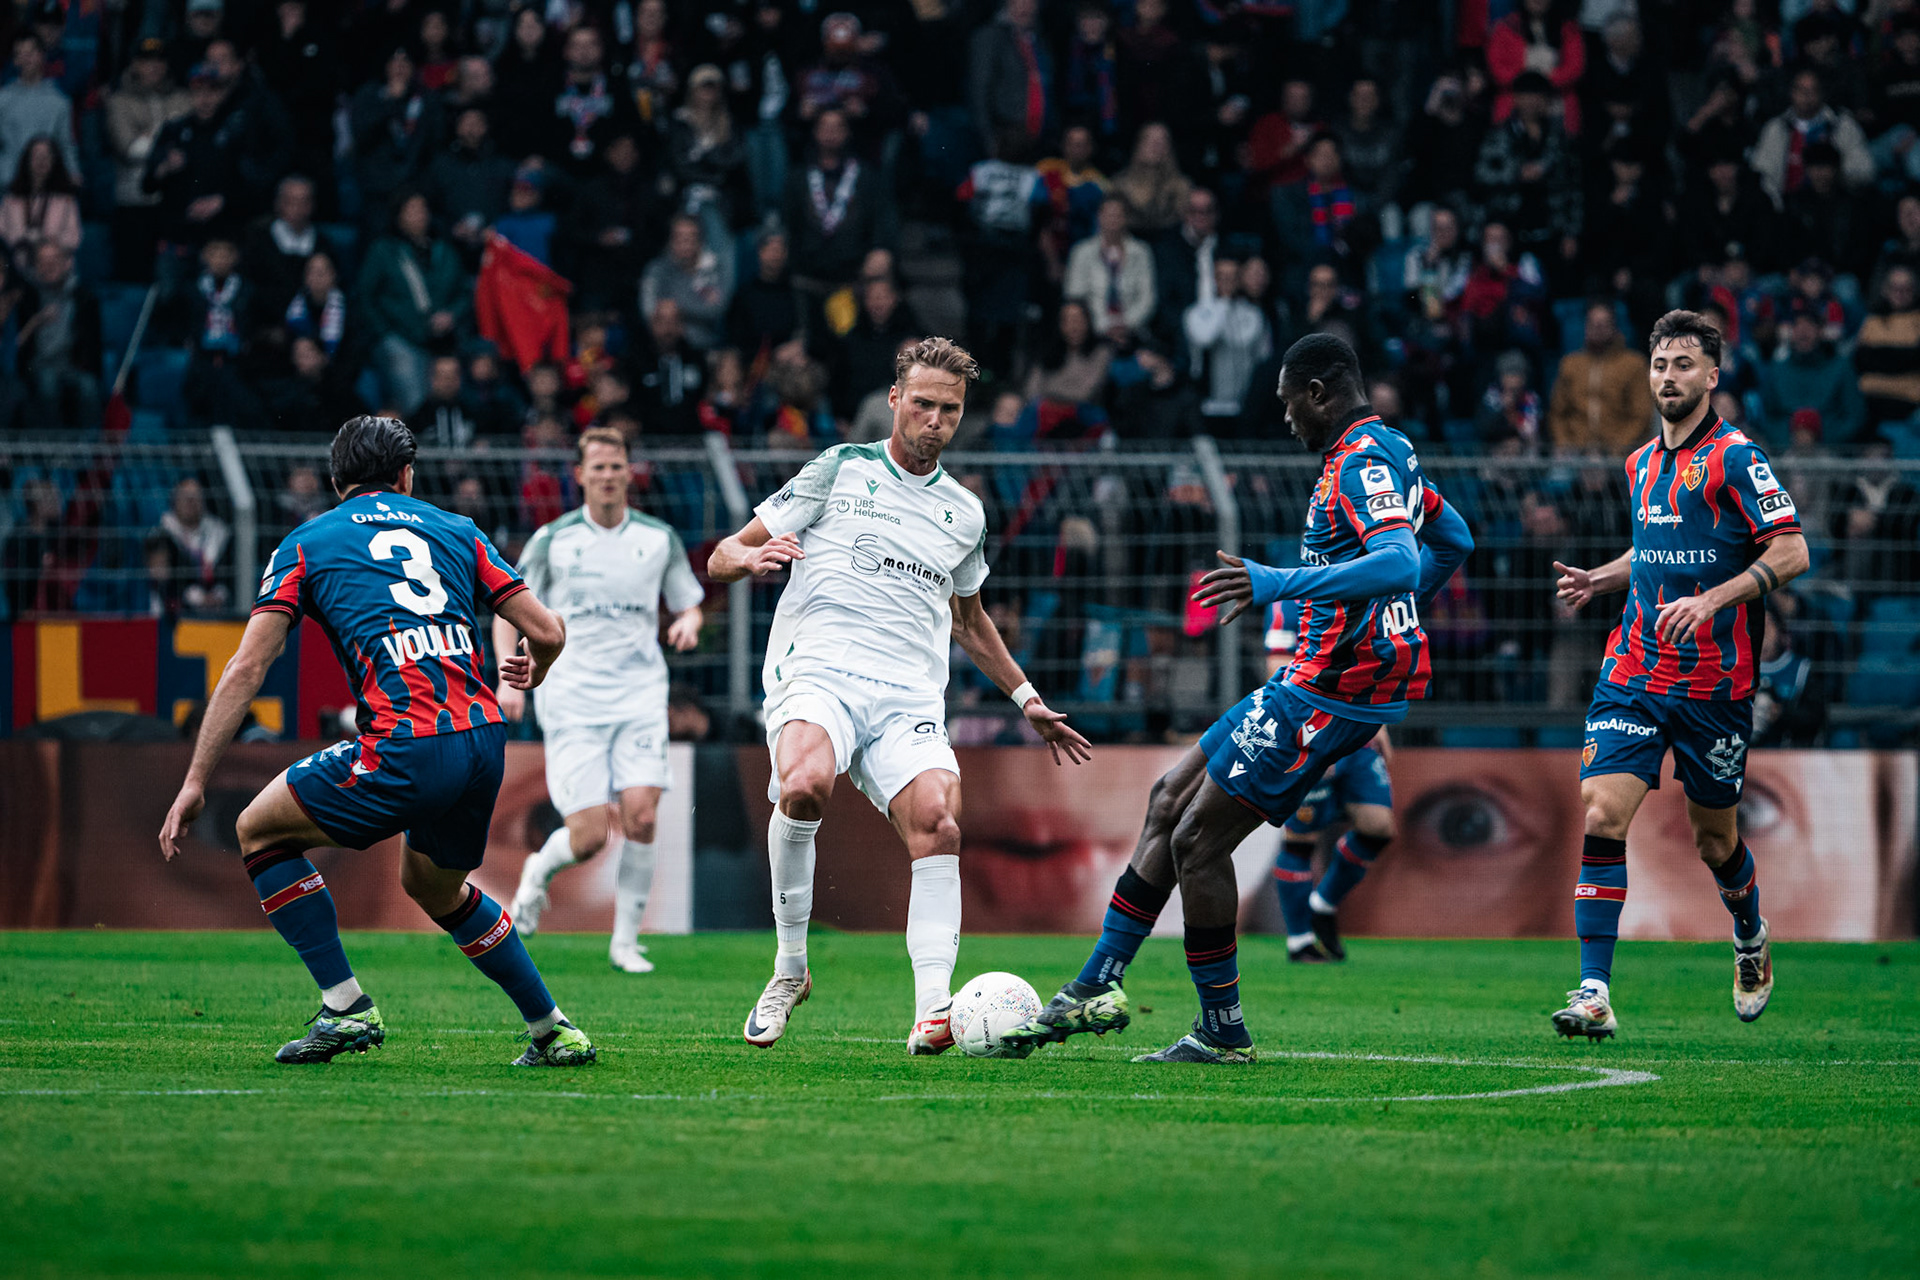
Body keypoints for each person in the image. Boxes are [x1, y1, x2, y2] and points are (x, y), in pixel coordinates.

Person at [1002, 333, 1474, 1064]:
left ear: (1319, 393)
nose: (1286, 419)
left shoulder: (1361, 463)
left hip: (1328, 692)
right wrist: (1395, 614)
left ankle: (1222, 1029)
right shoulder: (1388, 453)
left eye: (1289, 404)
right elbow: (1455, 538)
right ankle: (1096, 981)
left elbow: (1400, 558)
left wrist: (1279, 583)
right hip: (1309, 681)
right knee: (1167, 799)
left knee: (1199, 839)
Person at [157, 415, 594, 1069]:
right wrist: (533, 673)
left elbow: (248, 668)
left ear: (337, 483)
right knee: (436, 887)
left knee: (256, 830)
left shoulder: (307, 543)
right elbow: (549, 632)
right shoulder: (458, 531)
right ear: (406, 476)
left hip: (406, 744)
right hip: (481, 743)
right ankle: (553, 1029)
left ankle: (345, 1006)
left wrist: (195, 781)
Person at [706, 337, 1092, 1052]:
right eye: (922, 404)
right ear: (894, 400)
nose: (934, 420)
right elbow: (723, 552)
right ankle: (791, 970)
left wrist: (1026, 697)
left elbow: (969, 621)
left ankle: (934, 1011)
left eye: (949, 409)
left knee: (940, 824)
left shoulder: (965, 514)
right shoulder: (839, 469)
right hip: (819, 672)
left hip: (907, 697)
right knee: (803, 785)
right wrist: (749, 557)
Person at [1548, 310, 1811, 1040]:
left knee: (1713, 843)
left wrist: (1715, 599)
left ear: (1712, 376)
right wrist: (1601, 579)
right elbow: (1657, 548)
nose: (1669, 376)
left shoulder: (1735, 458)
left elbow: (1792, 551)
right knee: (1602, 812)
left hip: (1714, 690)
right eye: (1662, 364)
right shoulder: (1640, 464)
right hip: (1633, 670)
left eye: (1684, 364)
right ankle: (1594, 991)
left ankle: (1750, 936)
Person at [499, 428, 704, 974]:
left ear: (629, 472)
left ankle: (625, 942)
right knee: (588, 836)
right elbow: (510, 607)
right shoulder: (552, 539)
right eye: (599, 467)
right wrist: (505, 682)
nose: (609, 476)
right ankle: (537, 874)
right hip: (572, 699)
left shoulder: (658, 538)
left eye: (618, 466)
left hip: (639, 695)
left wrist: (688, 620)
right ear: (580, 475)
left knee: (640, 816)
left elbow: (689, 602)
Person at [1264, 597, 1397, 963]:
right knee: (1300, 836)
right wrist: (1306, 731)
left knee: (1378, 826)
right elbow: (1276, 664)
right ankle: (1300, 941)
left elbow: (1370, 663)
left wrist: (1378, 717)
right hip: (1309, 729)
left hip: (1356, 726)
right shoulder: (1290, 600)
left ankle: (1323, 904)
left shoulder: (1366, 593)